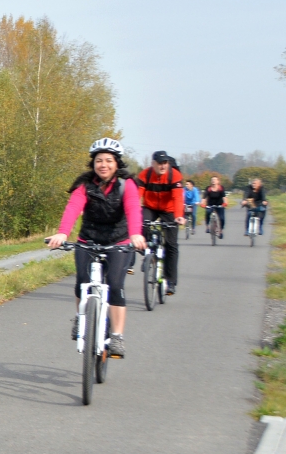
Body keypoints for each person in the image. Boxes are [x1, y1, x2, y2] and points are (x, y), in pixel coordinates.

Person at [45, 138, 146, 358]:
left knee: (116, 285)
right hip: (88, 239)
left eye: (108, 160)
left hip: (118, 240)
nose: (103, 165)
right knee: (82, 282)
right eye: (99, 160)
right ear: (93, 164)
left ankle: (117, 336)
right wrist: (63, 232)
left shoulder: (126, 184)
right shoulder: (85, 185)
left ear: (117, 163)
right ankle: (81, 318)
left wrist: (136, 233)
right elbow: (73, 207)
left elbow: (133, 209)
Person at [135, 150, 185, 295]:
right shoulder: (145, 174)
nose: (163, 166)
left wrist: (179, 216)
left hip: (169, 210)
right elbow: (137, 196)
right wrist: (132, 212)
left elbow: (177, 198)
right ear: (153, 164)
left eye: (165, 163)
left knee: (171, 244)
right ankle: (147, 251)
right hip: (150, 207)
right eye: (160, 163)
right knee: (141, 223)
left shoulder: (175, 175)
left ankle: (170, 281)